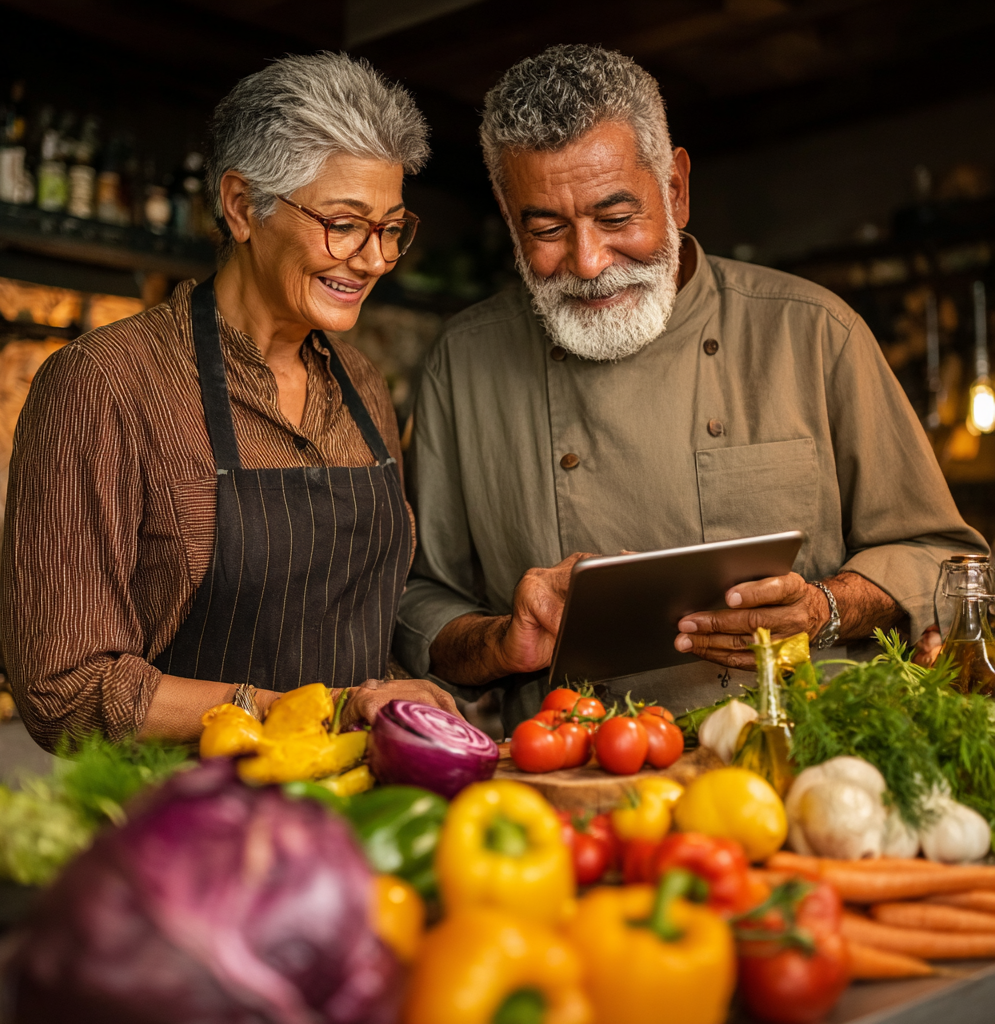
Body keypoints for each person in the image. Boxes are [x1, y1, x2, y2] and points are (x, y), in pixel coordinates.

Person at [395, 44, 987, 732]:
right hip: (576, 777)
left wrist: (825, 607)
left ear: (675, 187)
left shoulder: (814, 331)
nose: (588, 263)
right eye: (548, 229)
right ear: (506, 211)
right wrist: (501, 641)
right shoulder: (462, 364)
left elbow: (942, 556)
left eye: (616, 218)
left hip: (807, 762)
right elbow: (417, 603)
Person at [3, 53, 457, 751]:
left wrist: (396, 697)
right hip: (189, 823)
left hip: (364, 810)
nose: (373, 259)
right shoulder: (105, 384)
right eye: (344, 222)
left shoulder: (363, 385)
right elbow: (63, 691)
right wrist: (299, 712)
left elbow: (361, 629)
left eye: (392, 228)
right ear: (243, 207)